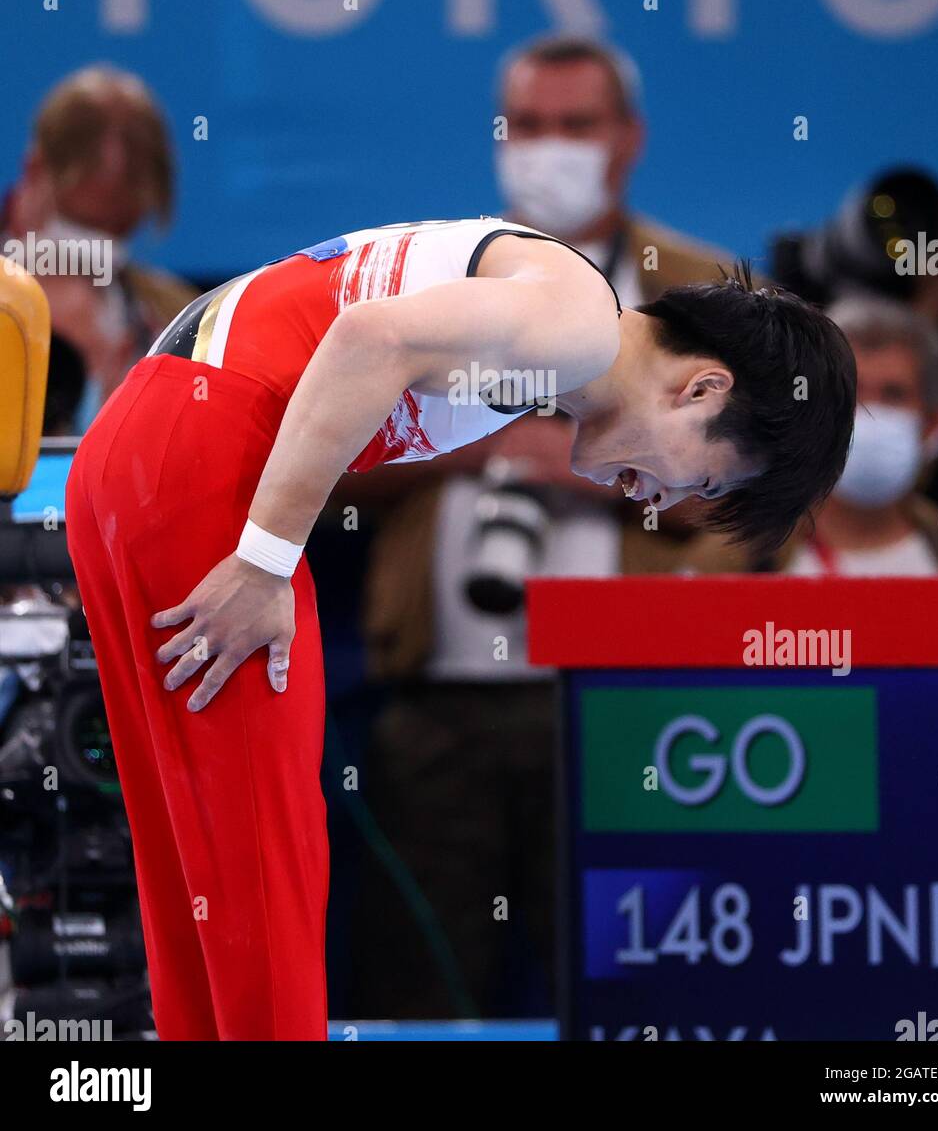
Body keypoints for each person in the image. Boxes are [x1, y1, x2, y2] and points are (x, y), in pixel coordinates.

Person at [64, 215, 856, 1040]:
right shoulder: (579, 326)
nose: (664, 502)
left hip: (132, 452)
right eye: (705, 476)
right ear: (703, 388)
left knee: (191, 856)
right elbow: (369, 337)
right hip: (203, 453)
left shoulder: (548, 327)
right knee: (264, 857)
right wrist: (264, 559)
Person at [350, 36, 742, 1018]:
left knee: (626, 989)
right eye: (529, 125)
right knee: (420, 992)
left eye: (577, 124)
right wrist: (491, 443)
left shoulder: (703, 293)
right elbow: (341, 454)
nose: (550, 146)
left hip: (623, 705)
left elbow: (751, 489)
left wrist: (597, 455)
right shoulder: (428, 278)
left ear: (629, 139)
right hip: (436, 701)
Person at [685, 295, 938, 576]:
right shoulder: (732, 562)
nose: (869, 412)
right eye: (852, 392)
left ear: (933, 422)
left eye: (893, 394)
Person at [2, 65, 197, 425]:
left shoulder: (178, 318)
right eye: (80, 228)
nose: (97, 256)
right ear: (34, 172)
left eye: (116, 230)